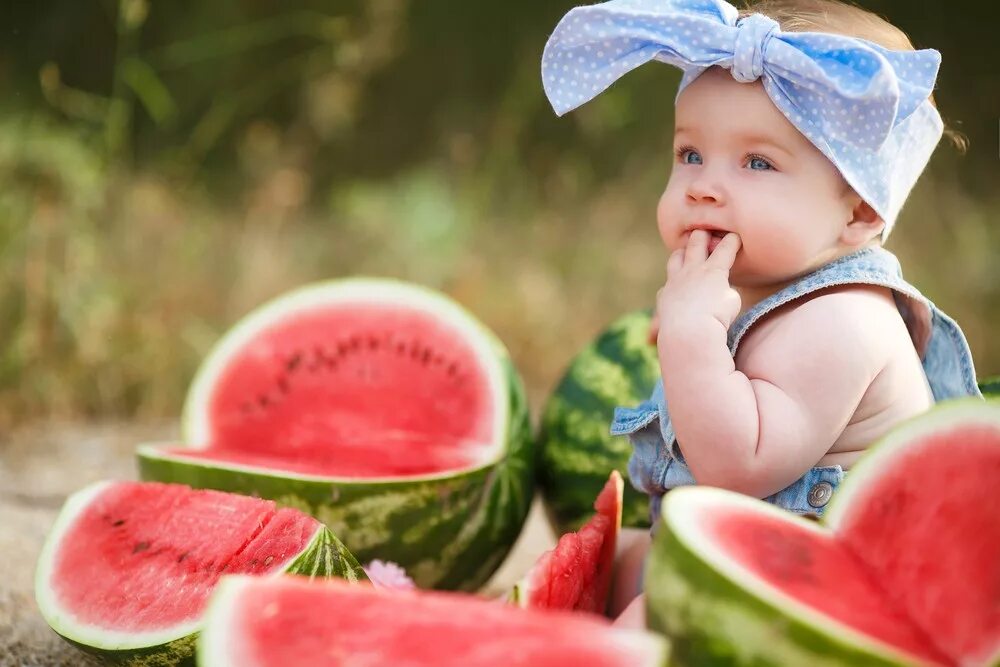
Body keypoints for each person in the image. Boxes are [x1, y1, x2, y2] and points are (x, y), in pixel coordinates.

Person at [540, 0, 983, 627]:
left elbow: (736, 467)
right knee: (610, 564)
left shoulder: (844, 319)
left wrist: (693, 336)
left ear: (858, 213)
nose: (702, 186)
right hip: (746, 557)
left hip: (838, 595)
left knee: (646, 617)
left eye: (757, 163)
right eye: (691, 154)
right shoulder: (764, 287)